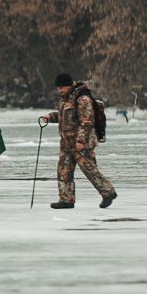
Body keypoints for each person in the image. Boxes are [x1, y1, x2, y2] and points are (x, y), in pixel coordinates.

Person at [40, 73, 117, 209]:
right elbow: (65, 116)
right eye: (58, 88)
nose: (59, 90)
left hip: (81, 143)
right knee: (63, 170)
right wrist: (50, 117)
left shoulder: (82, 98)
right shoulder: (66, 98)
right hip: (67, 143)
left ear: (69, 85)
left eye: (62, 87)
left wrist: (81, 140)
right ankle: (66, 199)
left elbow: (86, 121)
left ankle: (108, 192)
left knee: (89, 169)